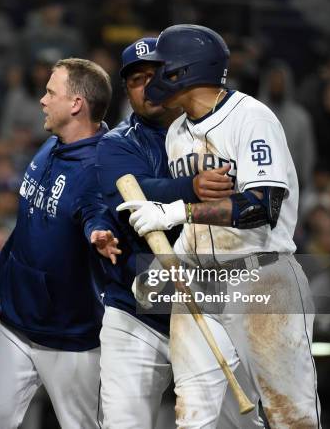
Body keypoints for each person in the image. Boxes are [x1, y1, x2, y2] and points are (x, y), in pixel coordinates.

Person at [117, 25, 321, 428]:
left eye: (159, 67)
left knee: (290, 416)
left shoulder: (252, 117)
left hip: (262, 280)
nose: (152, 78)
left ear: (183, 71)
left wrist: (178, 212)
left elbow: (263, 206)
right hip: (198, 281)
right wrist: (165, 264)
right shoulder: (176, 132)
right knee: (193, 415)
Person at [95, 37, 236, 428]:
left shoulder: (221, 125)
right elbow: (130, 193)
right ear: (127, 90)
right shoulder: (115, 144)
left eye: (157, 74)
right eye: (137, 79)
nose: (149, 85)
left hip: (211, 306)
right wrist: (191, 187)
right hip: (137, 311)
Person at [0, 58, 120, 429]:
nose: (42, 100)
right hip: (16, 322)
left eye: (50, 92)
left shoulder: (100, 165)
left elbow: (96, 211)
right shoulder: (50, 145)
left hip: (69, 337)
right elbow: (25, 226)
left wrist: (98, 232)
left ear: (76, 104)